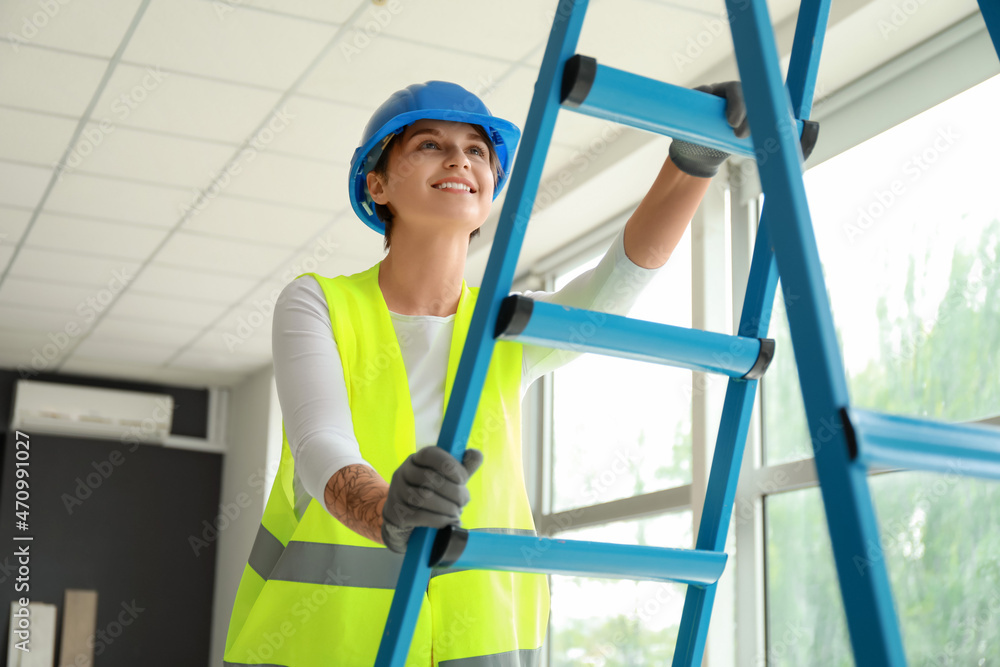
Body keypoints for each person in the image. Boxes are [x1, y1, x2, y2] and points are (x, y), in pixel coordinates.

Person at [224, 79, 748, 667]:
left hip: (478, 645)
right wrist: (385, 514)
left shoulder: (506, 324)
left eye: (477, 150)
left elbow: (615, 285)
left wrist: (691, 164)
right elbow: (320, 440)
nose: (459, 159)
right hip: (324, 646)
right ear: (377, 185)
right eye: (429, 144)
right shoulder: (319, 303)